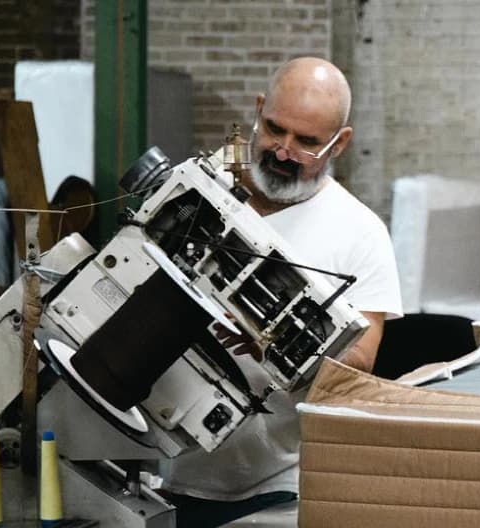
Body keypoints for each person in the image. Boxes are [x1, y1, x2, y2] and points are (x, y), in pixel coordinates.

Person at [160, 57, 403, 527]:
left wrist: (275, 342)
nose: (284, 151)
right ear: (258, 110)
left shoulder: (361, 233)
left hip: (276, 487)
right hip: (161, 465)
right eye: (274, 129)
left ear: (339, 143)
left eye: (307, 141)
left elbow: (359, 363)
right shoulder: (200, 186)